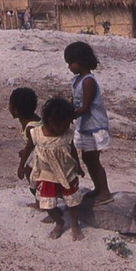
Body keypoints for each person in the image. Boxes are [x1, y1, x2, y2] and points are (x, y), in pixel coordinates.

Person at [19, 96, 85, 240]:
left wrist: (78, 166)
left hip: (67, 173)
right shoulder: (36, 134)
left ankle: (74, 224)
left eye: (68, 124)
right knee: (47, 204)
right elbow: (27, 149)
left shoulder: (67, 134)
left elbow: (73, 151)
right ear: (50, 121)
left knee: (72, 202)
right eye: (63, 125)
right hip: (46, 174)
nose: (66, 128)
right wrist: (21, 166)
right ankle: (59, 221)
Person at [65, 40, 112, 204]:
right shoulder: (76, 81)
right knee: (87, 158)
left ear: (81, 62)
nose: (69, 67)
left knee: (93, 159)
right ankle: (98, 188)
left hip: (93, 126)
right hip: (84, 125)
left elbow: (84, 107)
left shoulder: (88, 81)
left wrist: (69, 116)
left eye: (71, 63)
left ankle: (104, 191)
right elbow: (74, 103)